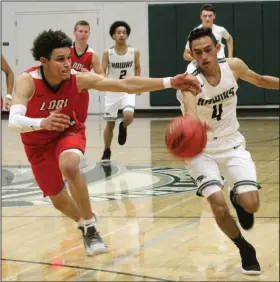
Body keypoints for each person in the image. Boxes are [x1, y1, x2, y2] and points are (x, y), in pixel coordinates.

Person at [8, 29, 201, 256]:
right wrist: (43, 123)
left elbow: (126, 85)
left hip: (67, 132)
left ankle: (91, 229)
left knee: (70, 165)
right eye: (60, 59)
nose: (67, 63)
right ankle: (83, 222)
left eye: (68, 57)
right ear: (43, 61)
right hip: (37, 144)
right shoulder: (28, 81)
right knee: (59, 201)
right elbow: (14, 121)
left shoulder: (77, 79)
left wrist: (170, 81)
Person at [177, 27, 279, 275]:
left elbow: (261, 80)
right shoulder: (189, 81)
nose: (203, 56)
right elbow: (190, 112)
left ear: (218, 49)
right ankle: (244, 248)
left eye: (208, 50)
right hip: (201, 149)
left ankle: (238, 196)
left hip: (232, 143)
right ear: (191, 54)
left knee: (251, 204)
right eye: (197, 52)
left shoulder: (233, 66)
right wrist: (194, 123)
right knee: (217, 204)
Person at [101, 21, 141, 162]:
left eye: (124, 33)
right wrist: (104, 81)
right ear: (113, 35)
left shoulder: (134, 52)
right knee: (110, 123)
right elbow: (102, 71)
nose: (121, 35)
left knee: (129, 116)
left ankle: (123, 126)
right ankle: (107, 150)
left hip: (127, 89)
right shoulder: (108, 53)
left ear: (127, 35)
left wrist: (138, 84)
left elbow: (137, 67)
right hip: (112, 90)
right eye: (119, 32)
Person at [70, 20, 104, 124]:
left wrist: (91, 76)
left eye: (86, 32)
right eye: (80, 31)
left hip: (81, 93)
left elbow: (102, 75)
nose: (83, 34)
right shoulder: (66, 50)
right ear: (74, 32)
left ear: (89, 34)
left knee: (79, 123)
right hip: (64, 92)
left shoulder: (92, 55)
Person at [183, 4, 234, 73]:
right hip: (203, 67)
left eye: (210, 16)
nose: (207, 18)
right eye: (204, 16)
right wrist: (200, 59)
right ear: (201, 16)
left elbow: (229, 39)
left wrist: (230, 57)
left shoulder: (220, 30)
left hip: (220, 64)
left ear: (214, 16)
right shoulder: (194, 34)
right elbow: (185, 55)